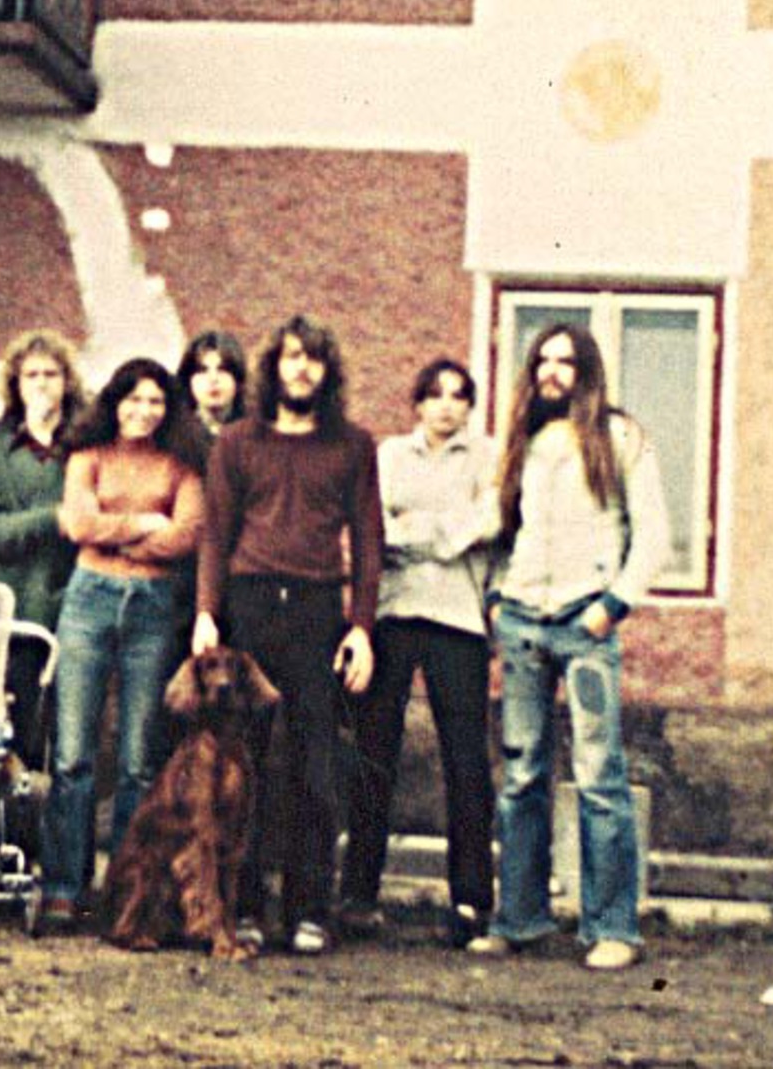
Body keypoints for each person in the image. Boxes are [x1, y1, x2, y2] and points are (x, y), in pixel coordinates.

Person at [467, 324, 669, 972]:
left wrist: (613, 606)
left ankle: (612, 928)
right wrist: (497, 599)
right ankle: (518, 919)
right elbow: (502, 530)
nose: (553, 371)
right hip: (523, 623)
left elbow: (654, 535)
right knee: (522, 773)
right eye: (544, 360)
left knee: (598, 774)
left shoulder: (621, 438)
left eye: (566, 361)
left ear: (587, 371)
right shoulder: (520, 444)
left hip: (586, 624)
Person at [193, 315, 382, 955]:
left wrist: (360, 628)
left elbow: (369, 540)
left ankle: (309, 910)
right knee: (242, 763)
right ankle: (243, 907)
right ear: (273, 366)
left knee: (315, 764)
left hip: (315, 610)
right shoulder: (237, 442)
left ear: (327, 372)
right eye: (292, 356)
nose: (301, 368)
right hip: (248, 605)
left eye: (313, 359)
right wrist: (207, 613)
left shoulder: (352, 445)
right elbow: (215, 533)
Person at [41, 358, 207, 924]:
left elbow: (187, 535)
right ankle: (64, 885)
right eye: (133, 400)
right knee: (72, 754)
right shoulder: (87, 456)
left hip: (154, 606)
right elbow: (79, 526)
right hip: (88, 599)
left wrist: (118, 536)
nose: (143, 411)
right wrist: (144, 525)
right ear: (114, 403)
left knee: (138, 758)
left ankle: (126, 891)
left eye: (155, 401)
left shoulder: (183, 464)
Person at [342, 358, 498, 946]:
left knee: (466, 760)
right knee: (375, 752)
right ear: (418, 404)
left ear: (469, 405)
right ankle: (358, 895)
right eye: (435, 395)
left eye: (458, 396)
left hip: (458, 617)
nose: (446, 406)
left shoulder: (487, 457)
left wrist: (422, 530)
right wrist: (447, 531)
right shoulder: (389, 456)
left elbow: (490, 520)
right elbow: (374, 527)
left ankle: (470, 902)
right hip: (393, 613)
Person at [0, 329, 87, 767]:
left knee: (72, 737)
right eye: (31, 375)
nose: (41, 384)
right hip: (17, 611)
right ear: (16, 385)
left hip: (74, 603)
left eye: (51, 374)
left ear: (66, 382)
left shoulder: (83, 447)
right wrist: (51, 518)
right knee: (20, 734)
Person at [181, 330, 248, 437]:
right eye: (202, 370)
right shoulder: (174, 434)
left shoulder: (255, 433)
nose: (213, 379)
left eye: (222, 369)